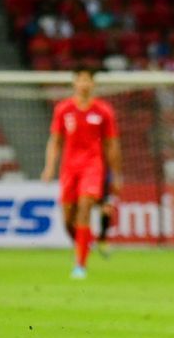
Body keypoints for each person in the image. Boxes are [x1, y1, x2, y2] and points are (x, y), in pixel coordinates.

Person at [40, 67, 123, 279]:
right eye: (81, 80)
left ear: (93, 84)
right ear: (74, 83)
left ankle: (80, 265)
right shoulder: (63, 109)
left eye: (88, 80)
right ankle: (85, 243)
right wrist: (49, 167)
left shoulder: (104, 111)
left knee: (85, 207)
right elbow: (55, 140)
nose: (84, 84)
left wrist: (116, 172)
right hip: (69, 168)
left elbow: (111, 144)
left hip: (93, 167)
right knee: (68, 219)